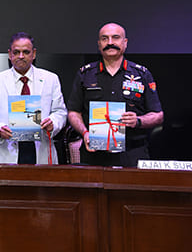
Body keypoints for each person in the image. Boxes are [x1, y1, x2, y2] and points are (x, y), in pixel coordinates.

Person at [67, 23, 163, 167]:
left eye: (115, 38)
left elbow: (158, 115)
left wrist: (138, 120)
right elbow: (73, 112)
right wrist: (85, 132)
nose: (110, 43)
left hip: (132, 153)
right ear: (99, 45)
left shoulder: (141, 74)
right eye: (104, 39)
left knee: (131, 190)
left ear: (125, 43)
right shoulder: (85, 74)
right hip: (94, 153)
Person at [0, 32, 67, 164]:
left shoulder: (51, 79)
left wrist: (52, 123)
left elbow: (60, 112)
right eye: (16, 52)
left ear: (34, 53)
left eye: (26, 52)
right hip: (8, 150)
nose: (21, 56)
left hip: (41, 149)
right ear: (10, 54)